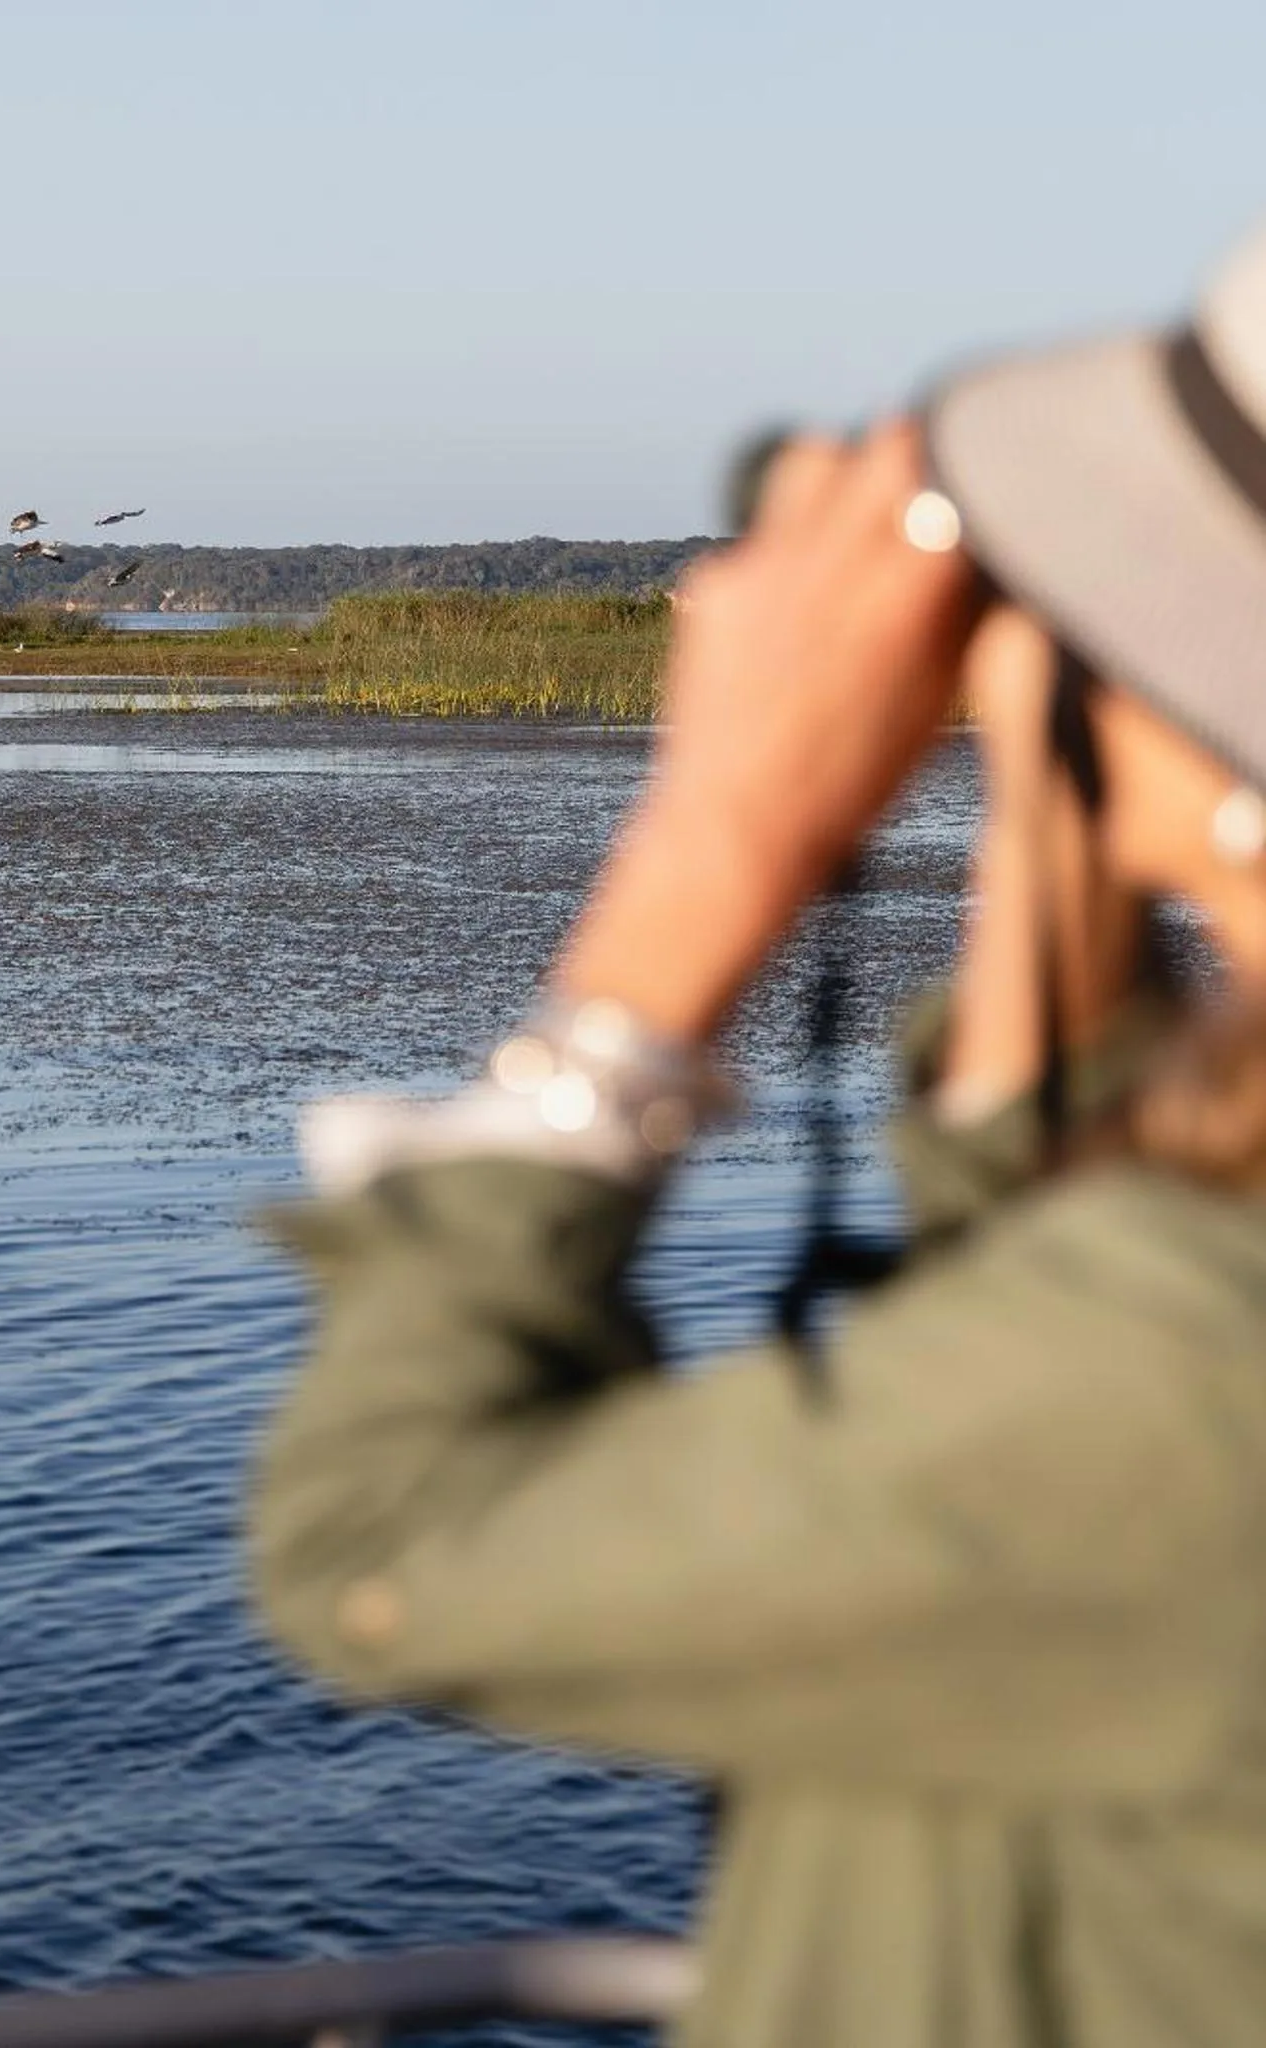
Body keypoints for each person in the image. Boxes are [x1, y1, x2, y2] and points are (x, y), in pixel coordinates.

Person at [246, 215, 1266, 2048]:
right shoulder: (1161, 1327)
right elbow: (1033, 1282)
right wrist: (1049, 796)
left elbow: (382, 1548)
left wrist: (716, 839)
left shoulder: (1196, 1379)